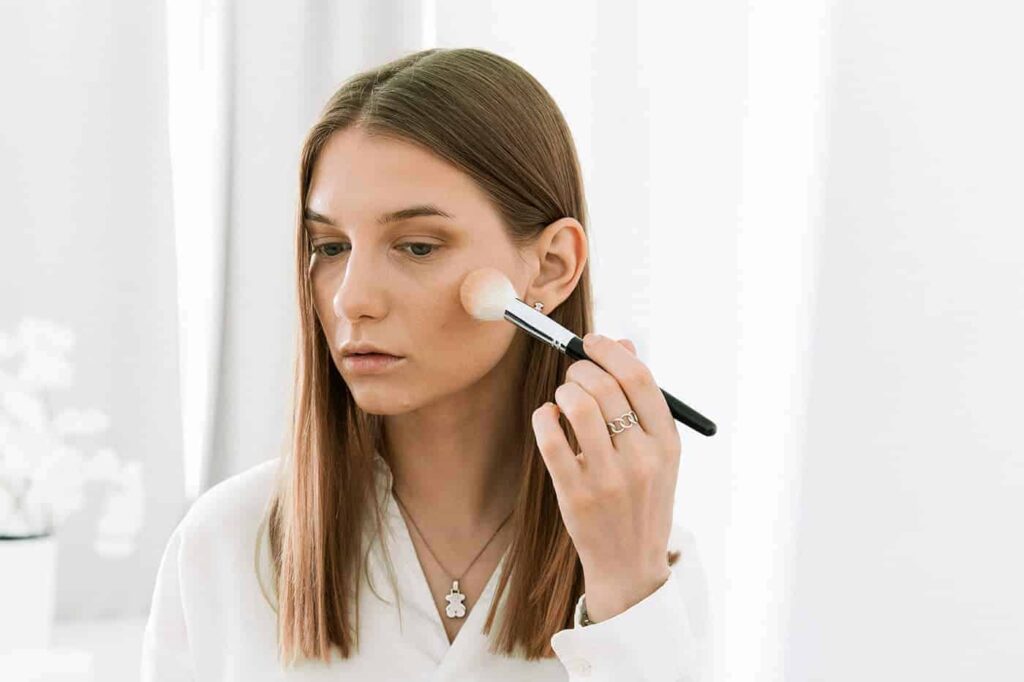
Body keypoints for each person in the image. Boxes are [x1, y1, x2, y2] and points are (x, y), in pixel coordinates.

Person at [141, 47, 710, 681]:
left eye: (416, 246)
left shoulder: (647, 558)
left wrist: (626, 592)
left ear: (551, 266)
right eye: (330, 247)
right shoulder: (225, 544)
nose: (351, 298)